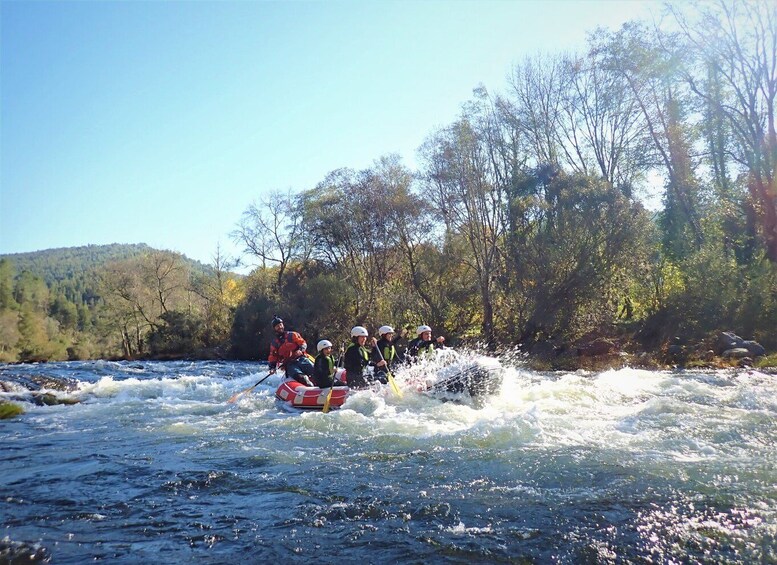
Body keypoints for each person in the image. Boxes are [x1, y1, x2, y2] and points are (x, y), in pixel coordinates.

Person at [267, 316, 315, 386]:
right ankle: (310, 388)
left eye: (280, 325)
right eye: (277, 326)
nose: (280, 327)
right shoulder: (274, 343)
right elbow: (273, 357)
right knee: (303, 379)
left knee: (317, 372)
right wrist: (272, 368)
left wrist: (301, 350)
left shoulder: (293, 335)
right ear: (274, 328)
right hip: (290, 365)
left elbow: (303, 343)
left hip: (301, 359)